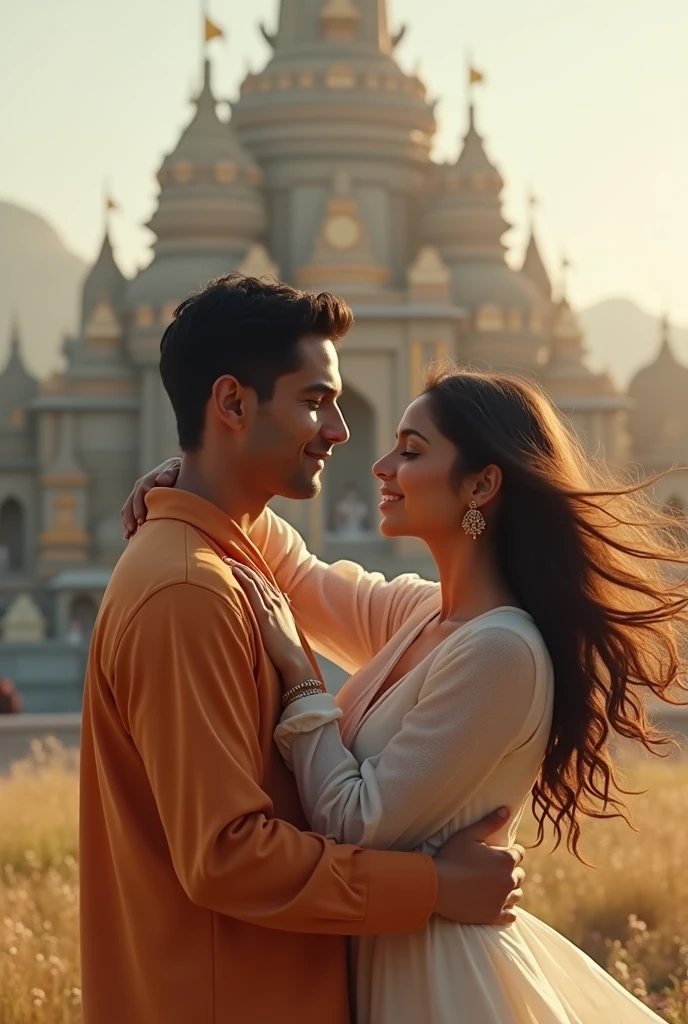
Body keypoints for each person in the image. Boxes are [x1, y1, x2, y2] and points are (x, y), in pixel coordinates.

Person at [126, 361, 688, 1022]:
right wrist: (198, 481)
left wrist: (300, 680)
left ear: (481, 485)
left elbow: (353, 822)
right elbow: (297, 575)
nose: (381, 464)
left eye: (412, 451)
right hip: (383, 960)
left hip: (440, 982)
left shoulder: (500, 652)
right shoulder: (424, 618)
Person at [82, 275, 525, 1024]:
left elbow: (312, 584)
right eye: (316, 400)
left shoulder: (455, 629)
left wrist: (198, 491)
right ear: (231, 403)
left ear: (483, 486)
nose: (348, 436)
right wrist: (437, 887)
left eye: (411, 450)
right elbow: (227, 854)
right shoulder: (189, 592)